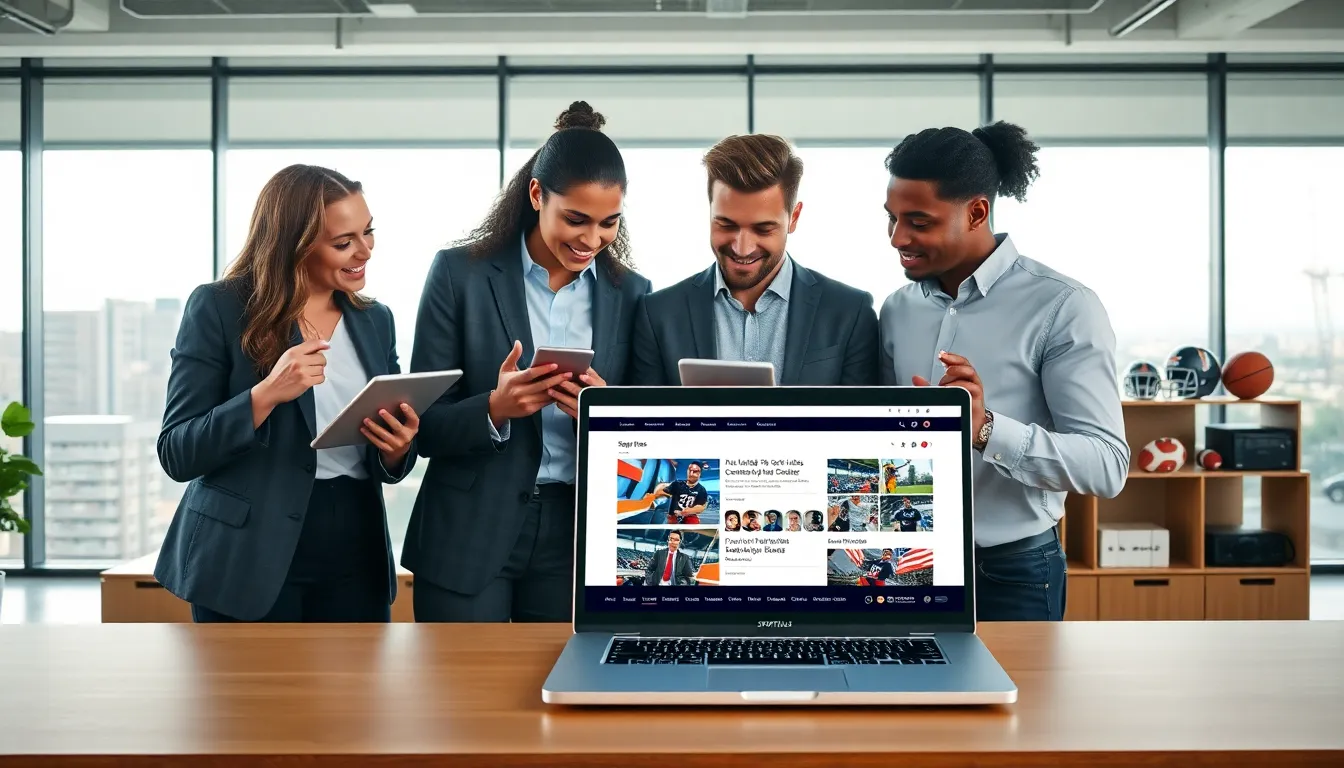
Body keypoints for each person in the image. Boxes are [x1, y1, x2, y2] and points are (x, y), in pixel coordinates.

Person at [402, 102, 652, 623]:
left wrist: (605, 416)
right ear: (537, 195)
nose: (591, 240)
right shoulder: (459, 275)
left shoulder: (631, 295)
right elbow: (421, 426)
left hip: (575, 534)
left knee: (559, 693)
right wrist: (494, 408)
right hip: (468, 530)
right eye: (576, 219)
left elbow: (649, 437)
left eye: (609, 223)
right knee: (460, 696)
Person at [878, 121, 1129, 621]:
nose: (896, 238)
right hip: (906, 565)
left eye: (919, 222)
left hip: (1010, 571)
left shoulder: (1063, 307)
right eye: (891, 218)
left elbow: (1107, 465)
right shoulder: (897, 309)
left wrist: (983, 428)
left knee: (1019, 702)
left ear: (976, 212)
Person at [154, 164, 419, 623]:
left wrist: (397, 450)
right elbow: (177, 452)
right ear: (294, 244)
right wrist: (266, 394)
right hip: (248, 551)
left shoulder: (378, 320)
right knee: (251, 696)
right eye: (344, 242)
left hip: (355, 547)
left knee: (354, 696)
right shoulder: (219, 308)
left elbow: (387, 452)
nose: (365, 252)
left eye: (368, 232)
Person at [630, 134, 879, 386]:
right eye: (725, 224)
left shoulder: (850, 312)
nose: (742, 248)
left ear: (794, 217)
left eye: (763, 229)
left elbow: (862, 423)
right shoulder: (658, 315)